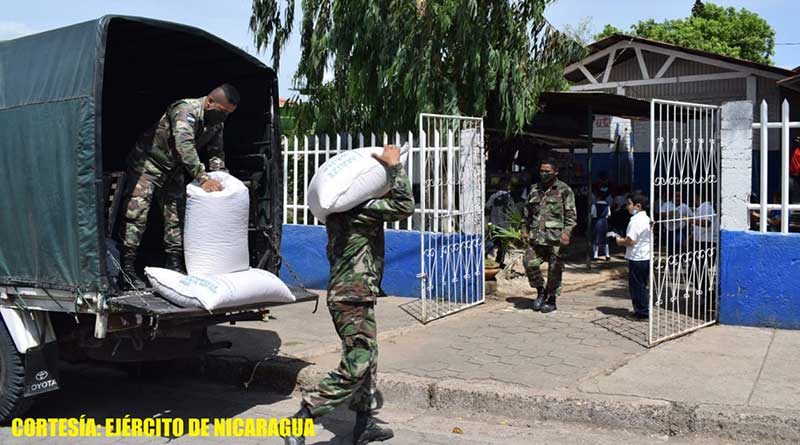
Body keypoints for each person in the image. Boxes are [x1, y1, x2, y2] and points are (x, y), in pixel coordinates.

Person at [284, 145, 414, 445]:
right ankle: (303, 417)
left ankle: (364, 423)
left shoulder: (342, 211)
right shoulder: (360, 211)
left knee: (368, 358)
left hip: (354, 295)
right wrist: (394, 167)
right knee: (357, 362)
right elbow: (405, 206)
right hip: (351, 296)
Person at [118, 84, 239, 289]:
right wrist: (203, 178)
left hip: (173, 169)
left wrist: (221, 178)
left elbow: (216, 152)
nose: (224, 117)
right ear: (210, 102)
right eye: (222, 111)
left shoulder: (216, 123)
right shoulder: (185, 110)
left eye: (229, 114)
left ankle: (174, 265)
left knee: (176, 216)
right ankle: (126, 269)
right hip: (148, 164)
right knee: (137, 216)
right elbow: (185, 147)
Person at [522, 158, 577, 313]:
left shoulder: (564, 190)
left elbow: (571, 216)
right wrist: (524, 229)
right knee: (528, 262)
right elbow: (527, 213)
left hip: (555, 239)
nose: (544, 174)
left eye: (547, 171)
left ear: (555, 172)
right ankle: (541, 290)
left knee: (555, 269)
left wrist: (567, 233)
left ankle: (552, 299)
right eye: (542, 171)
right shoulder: (534, 189)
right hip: (536, 237)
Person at [614, 192, 652, 321]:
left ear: (638, 206)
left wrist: (620, 241)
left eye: (629, 204)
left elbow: (630, 241)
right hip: (646, 255)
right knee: (642, 284)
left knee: (637, 286)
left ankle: (642, 312)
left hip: (638, 257)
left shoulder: (635, 221)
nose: (627, 207)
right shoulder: (646, 218)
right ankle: (643, 309)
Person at [486, 179, 515, 267]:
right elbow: (512, 210)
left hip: (494, 224)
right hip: (504, 226)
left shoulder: (493, 196)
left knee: (491, 242)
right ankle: (499, 262)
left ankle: (484, 258)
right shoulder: (508, 197)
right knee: (503, 245)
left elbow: (487, 206)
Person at [591, 190, 611, 261]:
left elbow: (592, 214)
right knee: (605, 238)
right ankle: (607, 255)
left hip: (597, 222)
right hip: (605, 222)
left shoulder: (594, 205)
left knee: (596, 237)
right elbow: (609, 214)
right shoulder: (607, 205)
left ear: (598, 197)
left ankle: (595, 255)